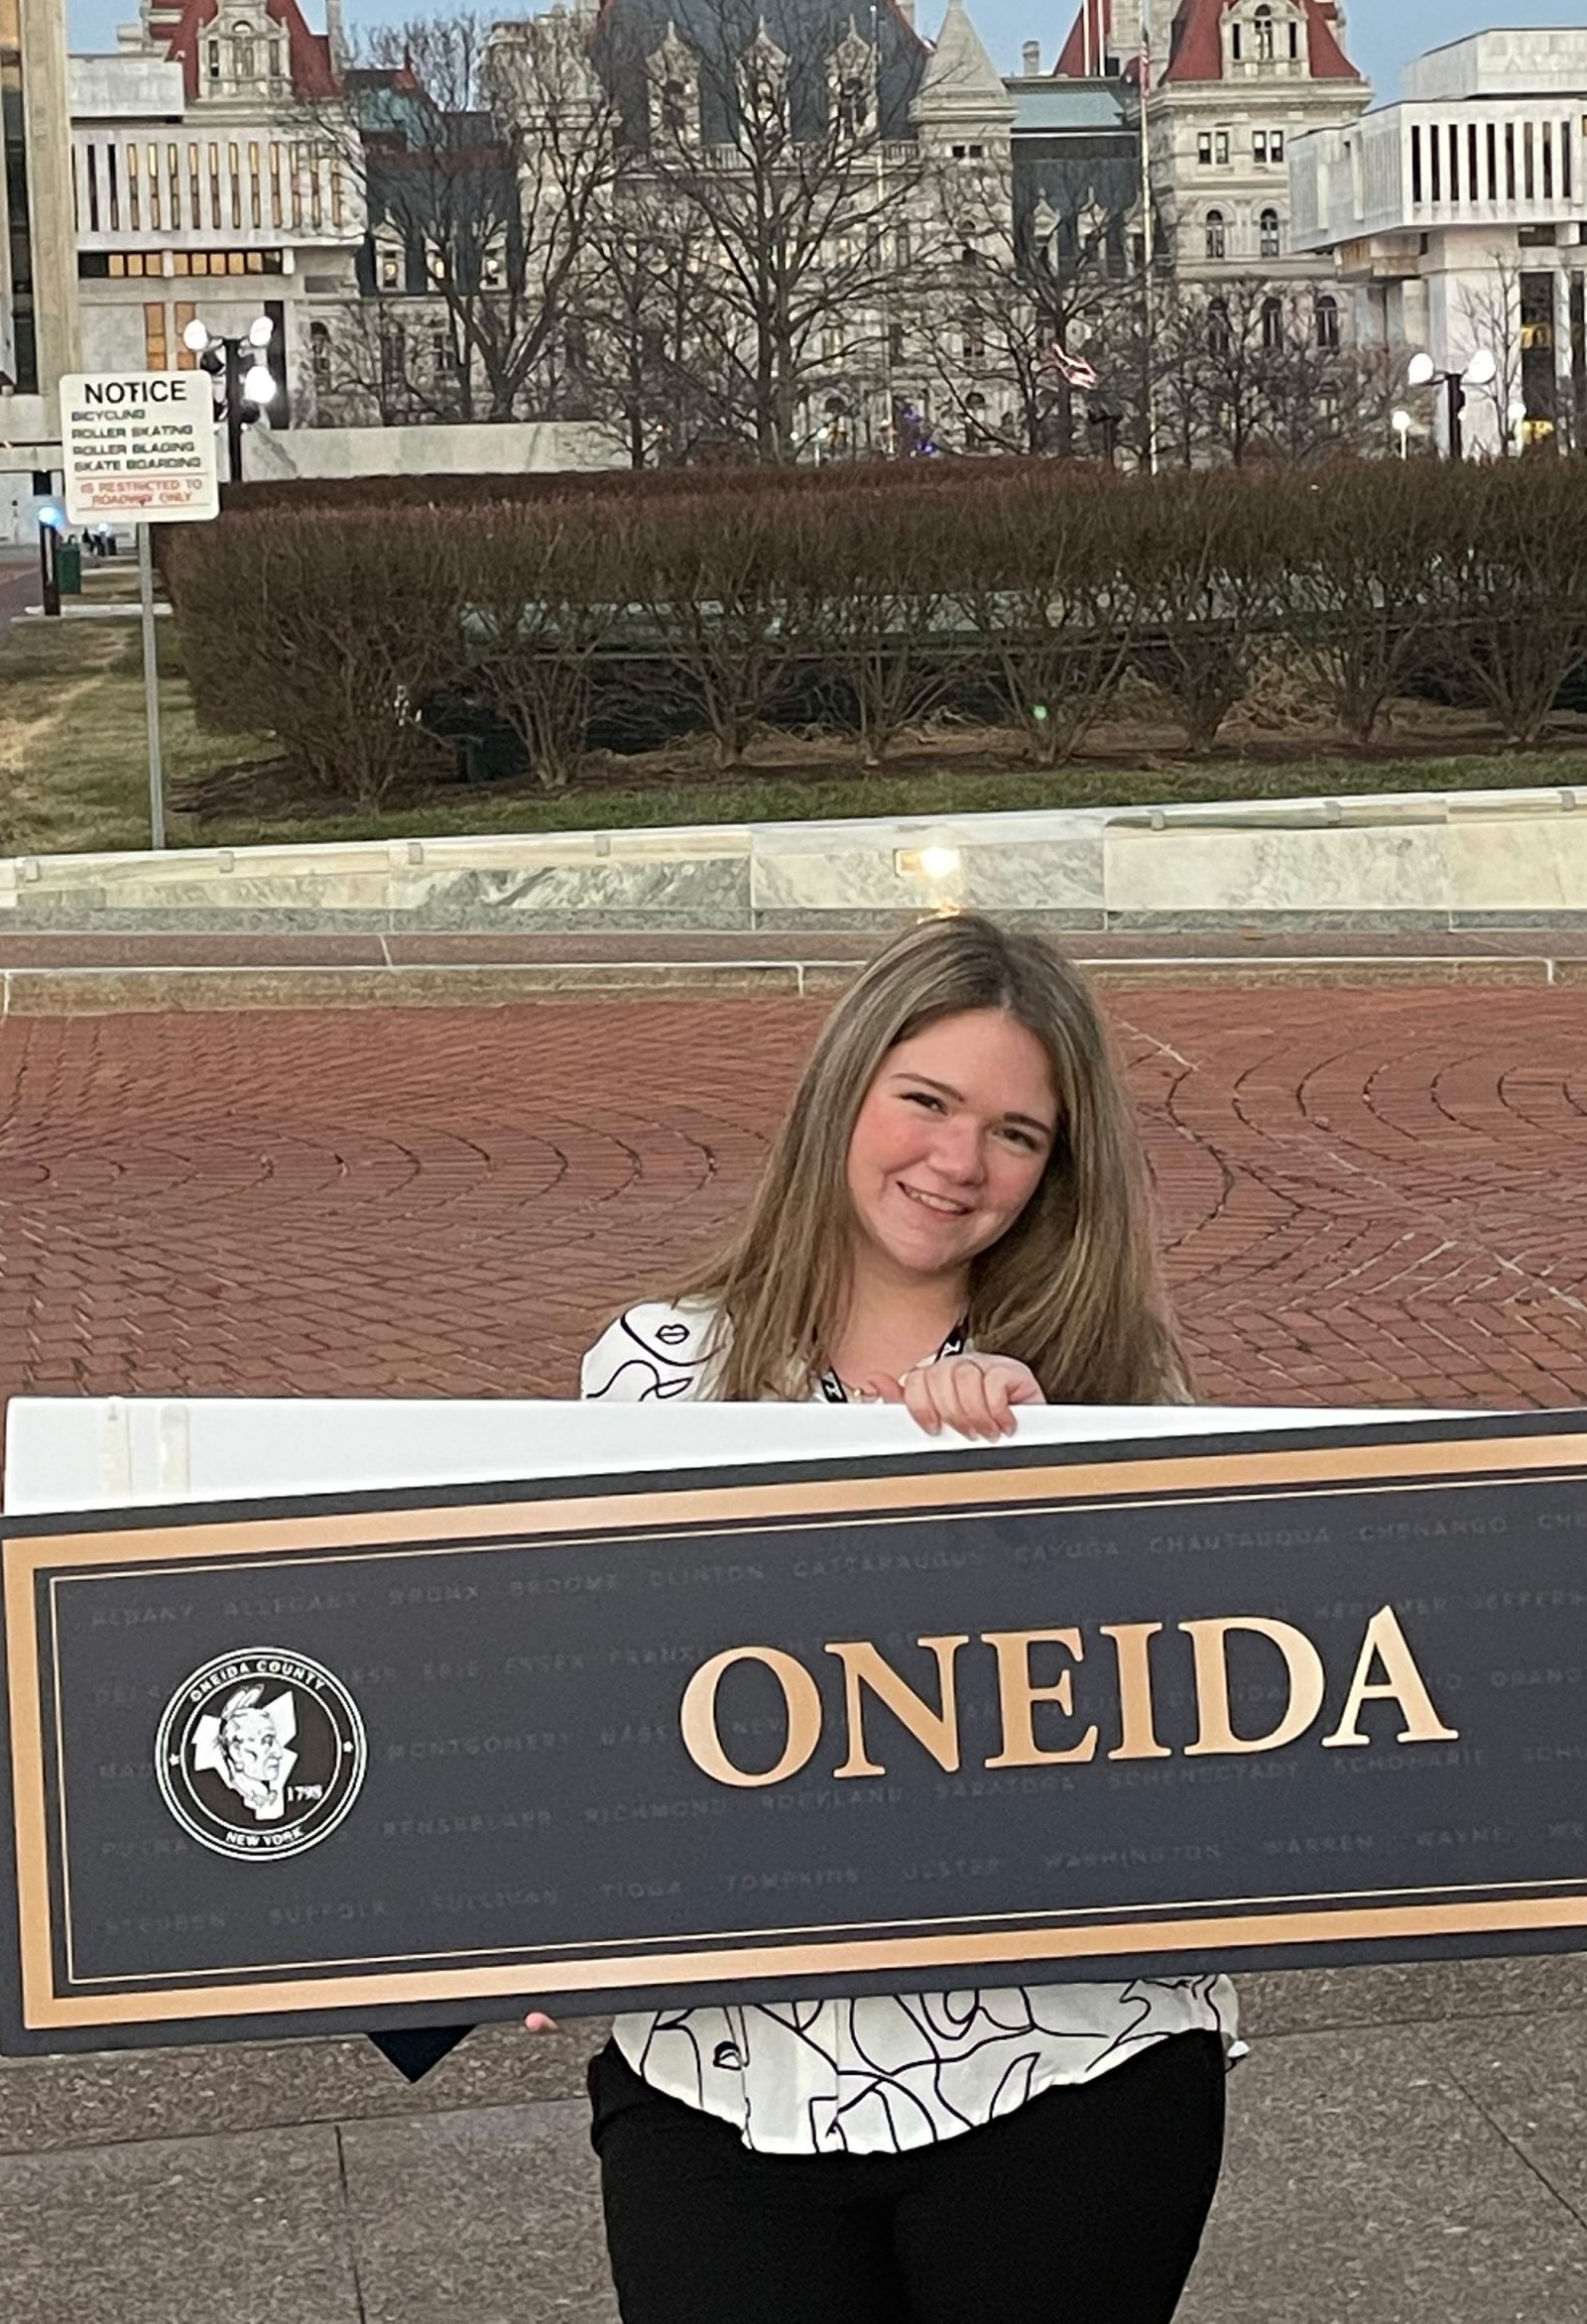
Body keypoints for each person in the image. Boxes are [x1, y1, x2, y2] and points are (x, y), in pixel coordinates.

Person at [558, 913, 1234, 2324]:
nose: (959, 1162)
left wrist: (1039, 1489)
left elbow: (1194, 1715)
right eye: (927, 1100)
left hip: (1071, 2064)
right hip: (721, 2070)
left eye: (1016, 1133)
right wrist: (519, 1901)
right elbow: (584, 1683)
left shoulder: (1106, 1388)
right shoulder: (655, 1369)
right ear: (844, 1090)